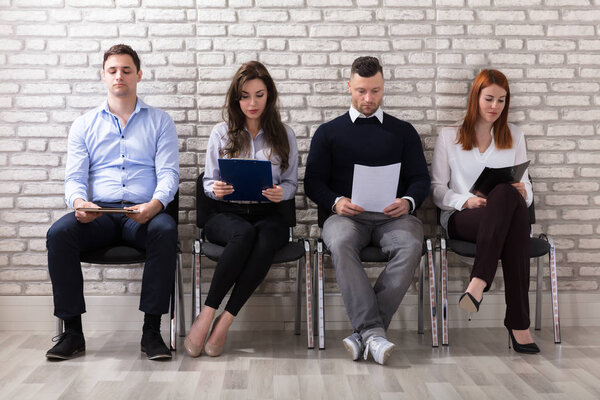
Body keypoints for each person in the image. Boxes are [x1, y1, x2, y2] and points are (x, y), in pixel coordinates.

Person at [45, 44, 179, 361]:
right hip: (98, 215)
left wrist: (156, 205)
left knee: (166, 230)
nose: (119, 76)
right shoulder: (84, 125)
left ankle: (151, 332)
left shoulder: (161, 122)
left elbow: (170, 174)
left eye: (126, 70)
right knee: (58, 234)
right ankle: (73, 333)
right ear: (103, 76)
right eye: (113, 70)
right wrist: (79, 202)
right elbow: (74, 178)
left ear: (139, 75)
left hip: (141, 213)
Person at [304, 57, 430, 365]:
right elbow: (312, 182)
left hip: (393, 218)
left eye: (375, 91)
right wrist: (336, 201)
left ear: (384, 87)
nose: (368, 99)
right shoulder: (328, 132)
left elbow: (420, 179)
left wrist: (409, 201)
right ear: (349, 86)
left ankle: (367, 333)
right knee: (341, 242)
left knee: (413, 243)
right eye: (361, 90)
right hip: (345, 217)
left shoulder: (403, 132)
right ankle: (374, 332)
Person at [184, 61, 298, 358]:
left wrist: (280, 193)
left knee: (262, 239)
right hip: (226, 214)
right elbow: (209, 181)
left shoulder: (285, 134)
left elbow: (291, 183)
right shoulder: (221, 133)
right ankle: (208, 313)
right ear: (236, 99)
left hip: (269, 215)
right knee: (244, 234)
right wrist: (215, 189)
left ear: (269, 96)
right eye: (245, 96)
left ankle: (225, 320)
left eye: (259, 95)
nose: (252, 103)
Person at [431, 69, 539, 353]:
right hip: (463, 218)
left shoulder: (514, 135)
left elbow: (525, 188)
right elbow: (437, 190)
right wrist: (465, 201)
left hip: (506, 218)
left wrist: (525, 194)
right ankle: (519, 325)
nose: (495, 107)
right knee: (509, 206)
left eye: (502, 101)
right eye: (489, 99)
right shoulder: (449, 136)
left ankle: (478, 283)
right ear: (475, 97)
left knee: (508, 195)